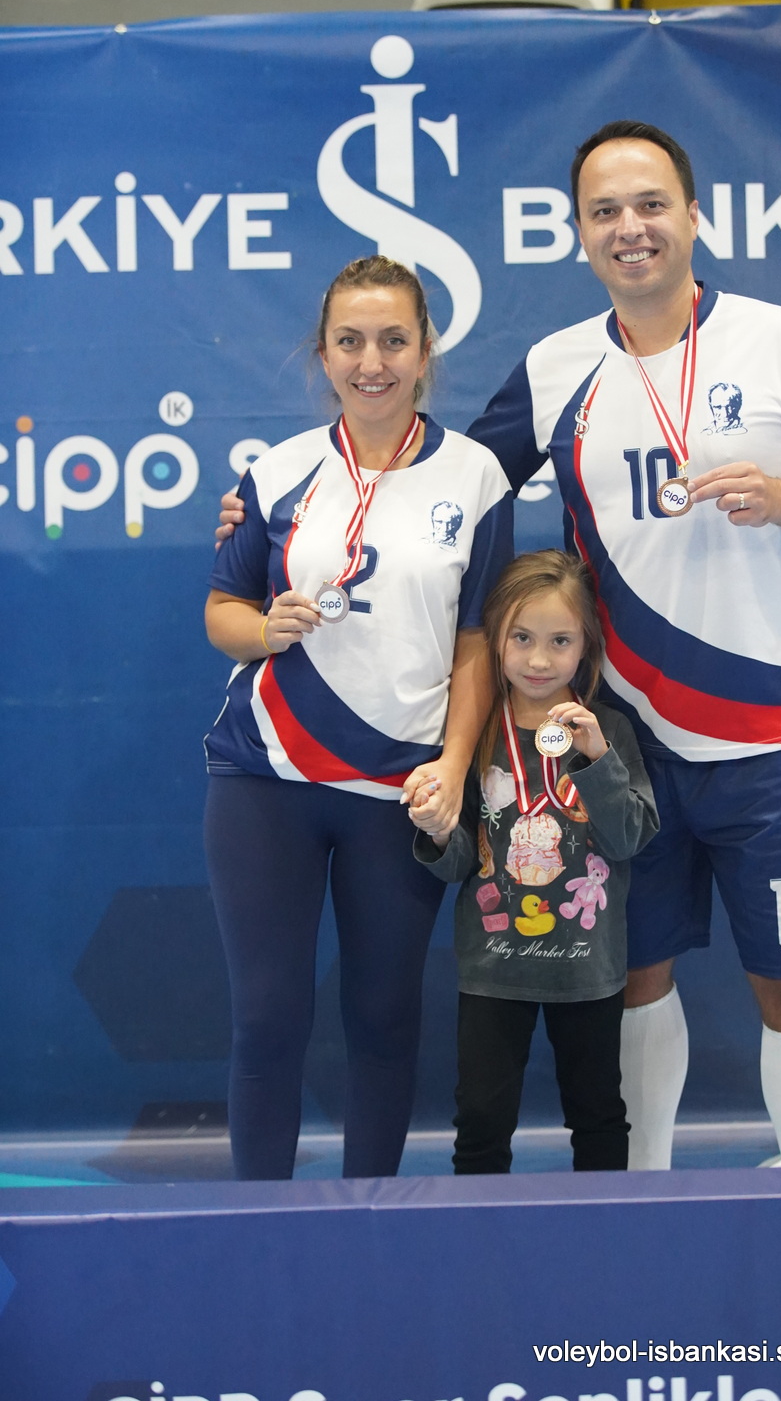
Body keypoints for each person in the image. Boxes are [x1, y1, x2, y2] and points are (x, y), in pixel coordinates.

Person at [217, 121, 781, 1171]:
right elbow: (431, 476)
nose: (630, 228)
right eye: (604, 211)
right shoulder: (555, 367)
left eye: (649, 204)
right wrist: (263, 514)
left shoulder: (780, 340)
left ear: (692, 214)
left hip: (760, 737)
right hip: (617, 741)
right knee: (634, 979)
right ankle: (642, 1200)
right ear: (578, 232)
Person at [203, 255, 512, 1180]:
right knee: (268, 1017)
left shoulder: (476, 476)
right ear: (323, 353)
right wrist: (265, 628)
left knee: (383, 1017)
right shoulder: (275, 473)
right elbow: (222, 612)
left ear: (424, 351)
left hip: (400, 788)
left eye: (391, 341)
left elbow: (476, 640)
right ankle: (259, 1226)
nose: (370, 362)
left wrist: (453, 765)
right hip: (267, 779)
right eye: (349, 341)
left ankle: (370, 1221)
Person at [411, 550, 658, 1174]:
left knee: (598, 1116)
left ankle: (604, 1229)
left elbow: (628, 838)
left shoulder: (608, 730)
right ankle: (480, 1232)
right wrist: (436, 831)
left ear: (587, 645)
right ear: (495, 639)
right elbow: (459, 864)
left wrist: (598, 760)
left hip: (587, 970)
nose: (539, 659)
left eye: (559, 641)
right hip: (494, 970)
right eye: (521, 638)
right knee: (480, 1123)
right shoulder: (473, 734)